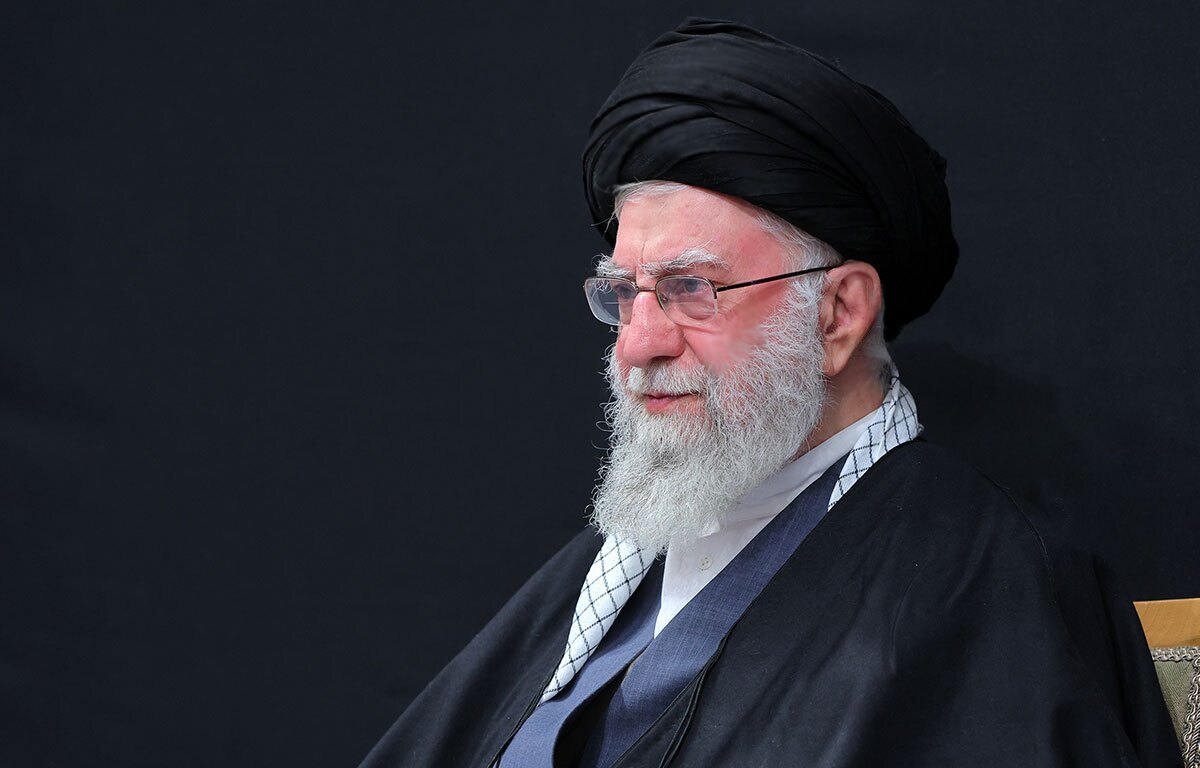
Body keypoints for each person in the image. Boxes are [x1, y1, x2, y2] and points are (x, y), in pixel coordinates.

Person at [361, 18, 1180, 768]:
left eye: (689, 289)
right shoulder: (602, 570)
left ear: (838, 314)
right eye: (623, 293)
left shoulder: (984, 590)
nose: (637, 343)